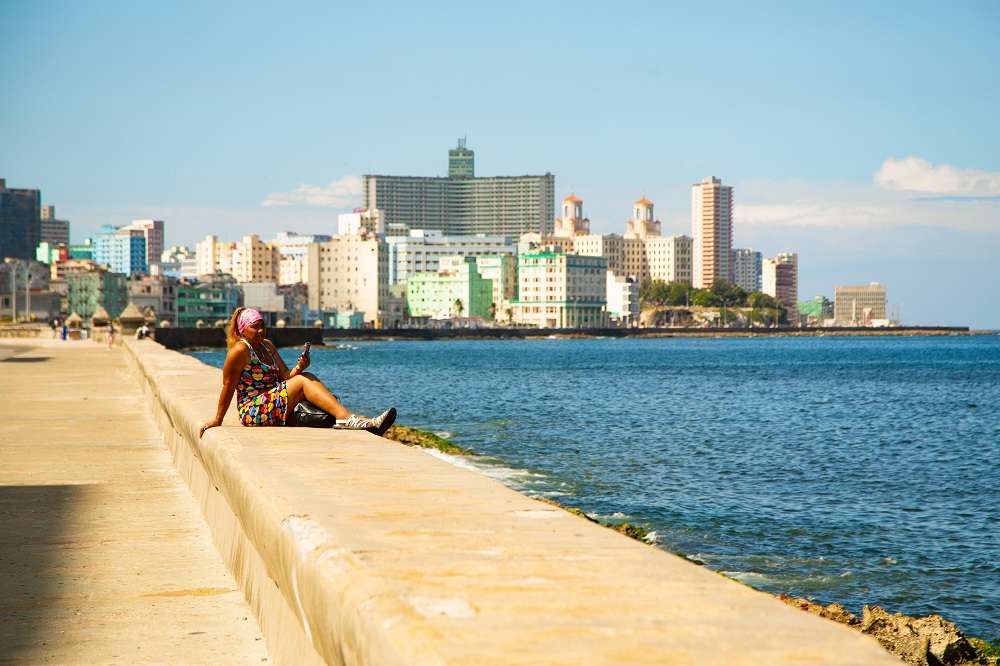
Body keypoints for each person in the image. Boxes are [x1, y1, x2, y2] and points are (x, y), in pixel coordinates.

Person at [199, 307, 395, 438]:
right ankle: (350, 420)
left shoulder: (267, 346)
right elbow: (228, 385)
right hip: (253, 410)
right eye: (254, 327)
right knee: (303, 382)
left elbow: (285, 376)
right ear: (243, 331)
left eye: (262, 326)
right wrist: (218, 419)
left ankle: (359, 423)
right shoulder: (240, 350)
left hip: (274, 402)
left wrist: (300, 367)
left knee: (309, 381)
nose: (260, 331)